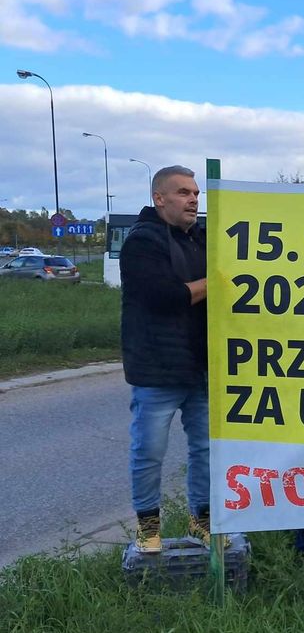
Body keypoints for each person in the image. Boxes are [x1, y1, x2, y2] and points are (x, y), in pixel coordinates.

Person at [121, 165, 221, 553]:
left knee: (206, 449)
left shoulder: (202, 239)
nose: (193, 199)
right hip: (157, 370)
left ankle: (202, 521)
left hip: (201, 367)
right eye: (183, 192)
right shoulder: (142, 242)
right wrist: (217, 282)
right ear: (158, 198)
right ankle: (148, 529)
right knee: (149, 451)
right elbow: (163, 297)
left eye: (196, 193)